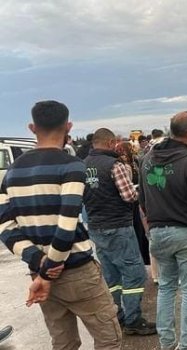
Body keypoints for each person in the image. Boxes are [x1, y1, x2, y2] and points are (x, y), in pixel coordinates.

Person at [0, 100, 122, 349]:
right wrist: (49, 269)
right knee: (109, 338)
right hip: (76, 272)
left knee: (63, 342)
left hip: (40, 274)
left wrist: (38, 262)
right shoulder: (71, 166)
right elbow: (66, 224)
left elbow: (4, 225)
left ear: (32, 128)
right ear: (68, 126)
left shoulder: (12, 172)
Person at [139, 111, 187, 350]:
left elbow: (142, 199)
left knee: (167, 287)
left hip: (158, 233)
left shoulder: (148, 159)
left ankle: (166, 344)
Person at [83, 129, 156, 335]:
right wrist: (139, 191)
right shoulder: (115, 165)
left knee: (111, 274)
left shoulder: (83, 165)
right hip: (118, 227)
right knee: (134, 273)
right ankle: (133, 319)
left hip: (96, 227)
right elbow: (128, 195)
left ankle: (117, 315)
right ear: (111, 142)